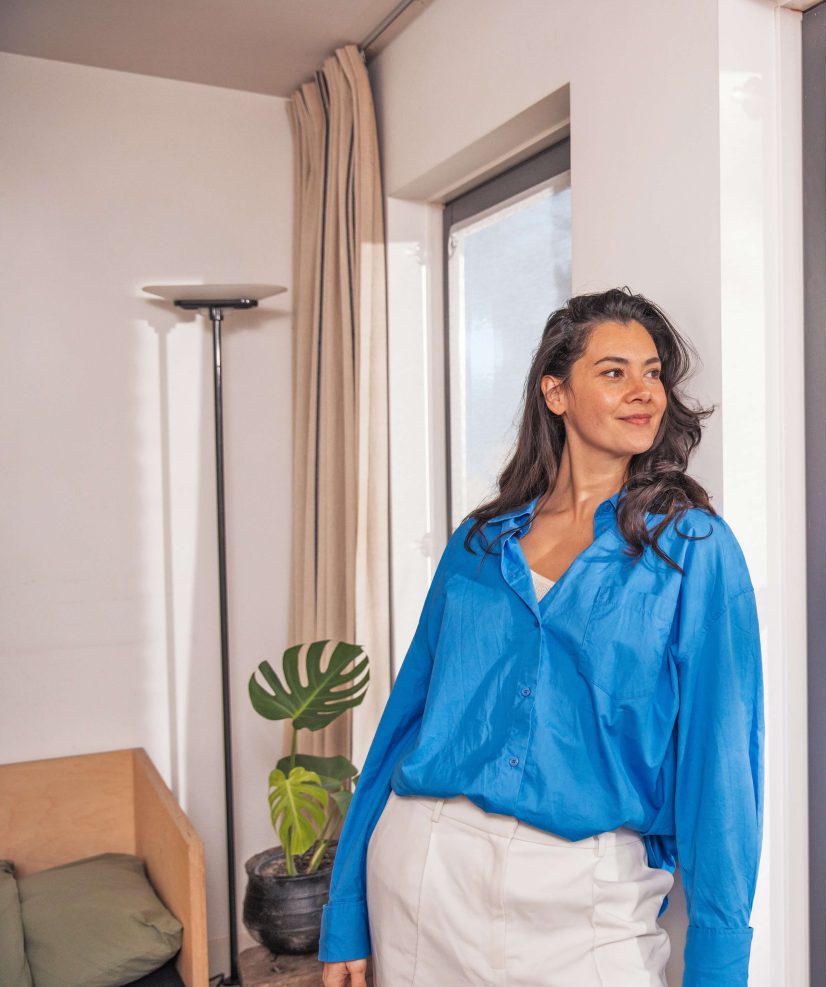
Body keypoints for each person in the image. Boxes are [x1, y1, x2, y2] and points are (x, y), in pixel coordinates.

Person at [318, 287, 765, 987]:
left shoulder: (693, 548)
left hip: (588, 895)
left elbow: (723, 760)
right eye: (614, 372)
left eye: (652, 373)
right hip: (426, 871)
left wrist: (719, 963)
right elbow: (404, 722)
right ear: (556, 393)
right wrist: (345, 907)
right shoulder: (478, 544)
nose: (644, 392)